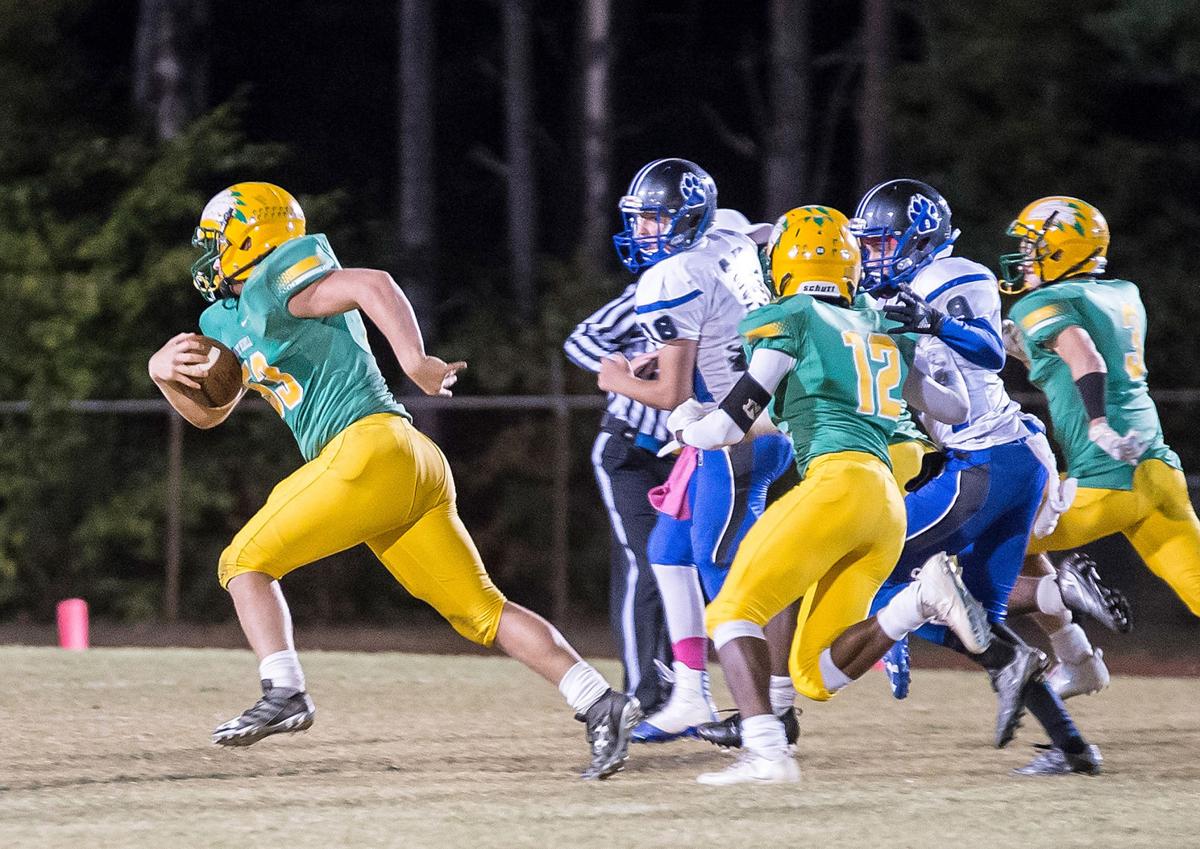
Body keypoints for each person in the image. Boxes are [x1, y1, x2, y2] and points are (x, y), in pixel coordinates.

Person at [148, 182, 638, 780]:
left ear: (252, 235)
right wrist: (163, 375)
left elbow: (372, 283)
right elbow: (212, 413)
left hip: (366, 448)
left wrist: (414, 360)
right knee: (481, 612)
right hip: (408, 462)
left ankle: (285, 690)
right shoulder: (229, 316)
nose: (208, 253)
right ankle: (599, 701)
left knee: (241, 563)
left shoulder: (282, 278)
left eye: (216, 240)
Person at [669, 204, 986, 785]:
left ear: (784, 266)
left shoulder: (791, 318)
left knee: (732, 611)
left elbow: (724, 431)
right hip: (884, 504)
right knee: (814, 675)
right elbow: (956, 408)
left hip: (836, 487)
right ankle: (918, 603)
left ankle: (767, 756)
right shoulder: (876, 326)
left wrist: (685, 426)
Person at [848, 179, 1102, 775]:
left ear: (921, 237)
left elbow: (988, 352)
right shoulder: (899, 293)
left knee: (871, 558)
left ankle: (1047, 603)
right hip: (1001, 461)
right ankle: (1073, 750)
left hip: (987, 462)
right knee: (980, 625)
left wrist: (930, 321)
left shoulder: (950, 276)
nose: (875, 255)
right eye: (870, 243)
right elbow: (944, 399)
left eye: (885, 241)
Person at [599, 160, 795, 742]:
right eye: (641, 220)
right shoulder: (727, 243)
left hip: (734, 436)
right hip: (747, 424)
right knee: (668, 548)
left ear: (687, 220)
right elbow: (771, 231)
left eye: (657, 221)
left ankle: (768, 721)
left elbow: (671, 395)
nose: (644, 233)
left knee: (724, 573)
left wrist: (615, 379)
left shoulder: (673, 276)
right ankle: (690, 694)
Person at [999, 195, 1196, 699]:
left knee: (985, 542)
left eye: (1032, 245)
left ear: (1062, 250)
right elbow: (1078, 358)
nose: (1023, 256)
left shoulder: (1040, 304)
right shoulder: (1122, 293)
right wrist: (1032, 359)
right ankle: (1077, 662)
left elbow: (1086, 358)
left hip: (1105, 476)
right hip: (1156, 470)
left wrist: (1099, 422)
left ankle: (1070, 653)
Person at [564, 267, 676, 717]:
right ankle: (643, 696)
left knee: (677, 567)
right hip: (630, 448)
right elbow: (582, 339)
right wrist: (627, 366)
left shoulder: (725, 303)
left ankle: (676, 689)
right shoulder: (655, 290)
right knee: (646, 565)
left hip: (682, 456)